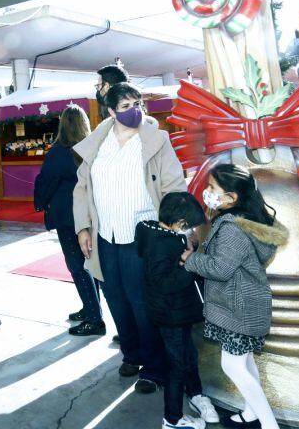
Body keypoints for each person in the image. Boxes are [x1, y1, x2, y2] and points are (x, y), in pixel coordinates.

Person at [72, 82, 187, 393]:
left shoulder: (155, 140)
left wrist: (176, 229)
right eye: (125, 106)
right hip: (104, 237)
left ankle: (153, 366)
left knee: (142, 303)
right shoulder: (98, 143)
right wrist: (83, 227)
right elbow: (82, 188)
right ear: (110, 111)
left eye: (137, 103)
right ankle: (132, 354)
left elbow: (174, 186)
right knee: (117, 300)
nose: (134, 110)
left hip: (143, 237)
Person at [183, 164, 288, 429]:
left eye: (212, 188)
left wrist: (190, 259)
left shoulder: (232, 228)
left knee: (233, 366)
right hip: (245, 304)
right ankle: (251, 412)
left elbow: (220, 268)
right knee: (244, 360)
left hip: (236, 308)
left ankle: (268, 424)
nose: (206, 192)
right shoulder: (249, 221)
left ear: (232, 198)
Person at [136, 192, 219, 428]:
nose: (191, 231)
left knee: (187, 354)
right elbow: (164, 283)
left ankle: (196, 394)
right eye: (190, 227)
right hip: (171, 313)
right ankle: (173, 418)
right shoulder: (163, 245)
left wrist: (185, 246)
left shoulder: (153, 231)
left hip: (174, 312)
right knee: (178, 365)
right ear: (180, 224)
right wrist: (186, 263)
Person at [33, 105, 104, 336]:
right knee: (90, 264)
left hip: (67, 217)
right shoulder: (92, 148)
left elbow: (46, 182)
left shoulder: (59, 151)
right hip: (90, 214)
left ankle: (95, 319)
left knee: (77, 266)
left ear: (63, 124)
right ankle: (91, 308)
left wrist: (41, 203)